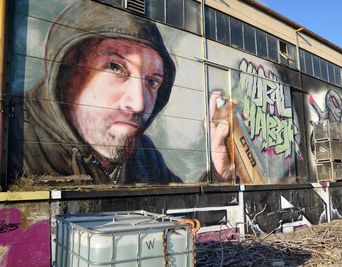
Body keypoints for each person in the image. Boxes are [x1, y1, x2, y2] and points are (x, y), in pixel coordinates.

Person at [8, 1, 232, 184]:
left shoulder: (143, 155)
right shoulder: (13, 130)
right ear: (69, 71)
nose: (138, 104)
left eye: (152, 82)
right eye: (115, 67)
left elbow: (188, 218)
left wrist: (218, 164)